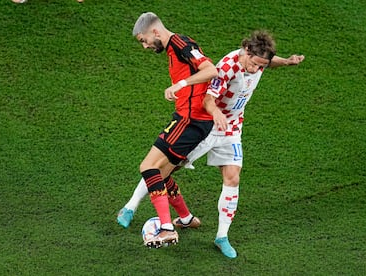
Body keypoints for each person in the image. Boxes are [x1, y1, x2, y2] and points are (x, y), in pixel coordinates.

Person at [118, 29, 305, 257]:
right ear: (246, 51)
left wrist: (287, 62)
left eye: (261, 66)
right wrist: (216, 113)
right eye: (254, 64)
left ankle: (221, 237)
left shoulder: (259, 61)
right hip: (208, 125)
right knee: (162, 170)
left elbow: (268, 61)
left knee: (232, 178)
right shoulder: (228, 66)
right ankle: (131, 206)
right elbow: (208, 99)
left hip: (232, 128)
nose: (256, 70)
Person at [128, 12, 226, 249]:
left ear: (155, 31)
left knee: (148, 167)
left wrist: (180, 85)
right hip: (191, 120)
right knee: (161, 175)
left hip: (190, 121)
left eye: (144, 40)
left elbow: (211, 70)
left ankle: (166, 229)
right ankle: (185, 218)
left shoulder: (181, 44)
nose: (145, 46)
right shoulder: (174, 48)